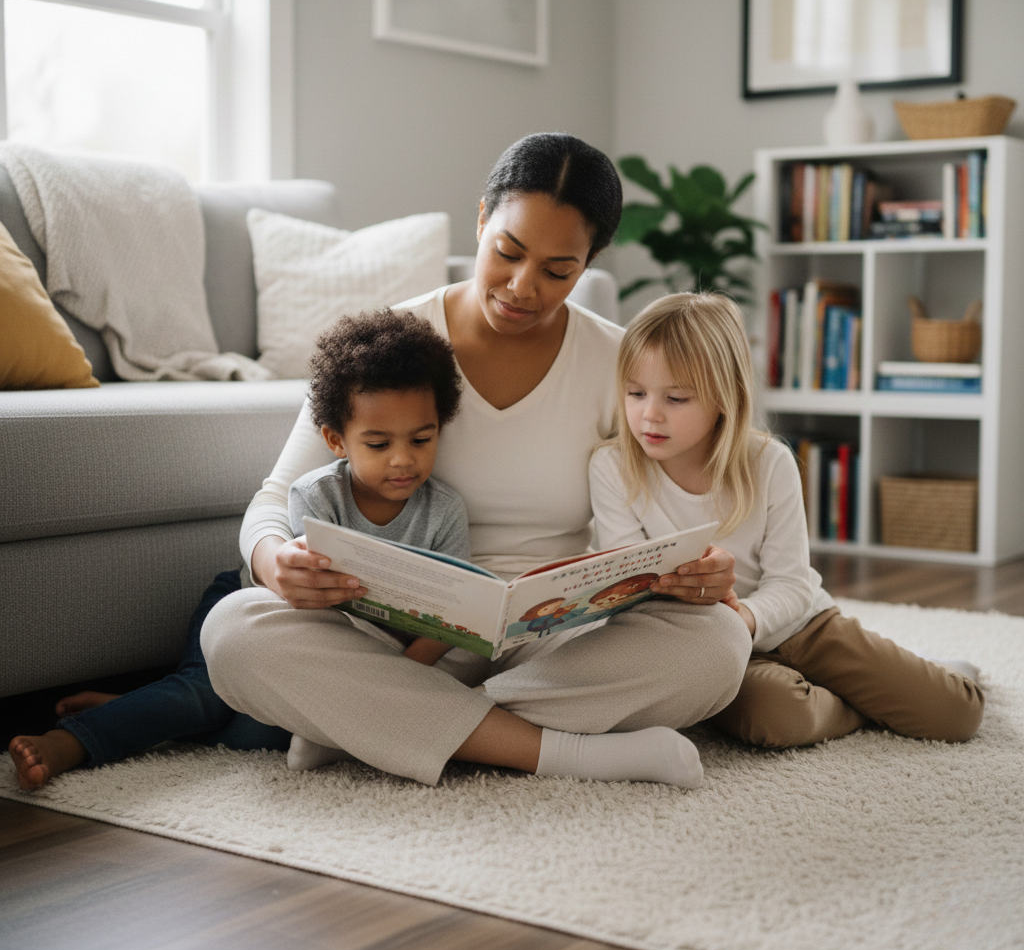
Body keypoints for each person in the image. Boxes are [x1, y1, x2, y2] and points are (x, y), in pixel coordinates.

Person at [200, 132, 752, 790]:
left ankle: (370, 722)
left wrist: (696, 568)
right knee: (234, 632)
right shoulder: (391, 344)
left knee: (718, 644)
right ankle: (562, 752)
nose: (522, 287)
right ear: (483, 218)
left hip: (553, 646)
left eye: (557, 271)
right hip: (397, 641)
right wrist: (272, 560)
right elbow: (274, 498)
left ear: (589, 262)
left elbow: (668, 514)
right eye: (508, 253)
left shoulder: (621, 365)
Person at [8, 308, 469, 790]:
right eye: (378, 444)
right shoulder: (316, 497)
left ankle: (138, 707)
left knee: (258, 735)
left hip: (342, 657)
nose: (403, 460)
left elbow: (452, 616)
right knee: (204, 697)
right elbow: (301, 615)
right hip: (250, 612)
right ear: (337, 441)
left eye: (422, 439)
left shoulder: (444, 511)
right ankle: (73, 741)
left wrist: (398, 680)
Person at [588, 291, 984, 750]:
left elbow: (792, 585)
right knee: (776, 718)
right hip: (707, 646)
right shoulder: (612, 467)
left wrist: (746, 616)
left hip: (801, 625)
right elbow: (630, 590)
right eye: (635, 393)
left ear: (724, 398)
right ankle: (865, 703)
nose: (649, 414)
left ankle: (921, 675)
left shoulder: (769, 462)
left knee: (956, 714)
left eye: (675, 398)